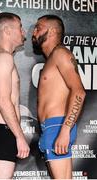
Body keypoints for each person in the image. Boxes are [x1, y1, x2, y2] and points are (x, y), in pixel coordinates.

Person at [32, 15, 86, 179]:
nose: (34, 32)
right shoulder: (51, 59)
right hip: (51, 127)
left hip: (58, 126)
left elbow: (79, 92)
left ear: (53, 30)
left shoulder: (61, 54)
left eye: (38, 27)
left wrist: (64, 131)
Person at [0, 12, 30, 179]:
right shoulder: (3, 58)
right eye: (20, 28)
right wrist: (19, 137)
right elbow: (3, 100)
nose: (24, 32)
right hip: (4, 132)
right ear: (7, 31)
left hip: (1, 130)